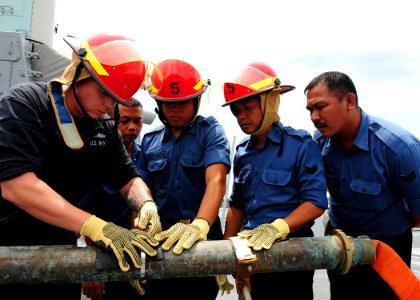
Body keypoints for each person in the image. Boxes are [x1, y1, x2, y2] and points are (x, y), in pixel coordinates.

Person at [0, 33, 162, 299]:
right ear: (78, 73)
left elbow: (127, 177)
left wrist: (146, 204)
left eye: (116, 98)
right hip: (8, 248)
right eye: (103, 93)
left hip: (59, 255)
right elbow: (18, 186)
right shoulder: (25, 104)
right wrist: (96, 227)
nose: (109, 105)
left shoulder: (105, 128)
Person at [304, 71, 420, 300]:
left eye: (321, 107)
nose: (314, 117)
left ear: (349, 101)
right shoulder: (319, 143)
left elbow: (418, 212)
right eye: (310, 110)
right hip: (340, 247)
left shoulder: (398, 148)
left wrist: (388, 229)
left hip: (387, 251)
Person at [222, 62, 329, 300]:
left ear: (270, 102)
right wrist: (226, 251)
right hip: (251, 253)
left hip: (294, 252)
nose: (241, 116)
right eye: (236, 111)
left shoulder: (301, 145)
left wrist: (278, 227)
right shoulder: (241, 152)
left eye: (248, 108)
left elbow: (316, 202)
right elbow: (237, 205)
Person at [138, 58, 231, 300]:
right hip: (162, 234)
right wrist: (140, 224)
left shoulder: (210, 132)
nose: (175, 109)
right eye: (168, 104)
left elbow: (217, 180)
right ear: (158, 103)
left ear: (196, 100)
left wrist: (200, 225)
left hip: (203, 231)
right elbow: (142, 189)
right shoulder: (150, 141)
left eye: (182, 102)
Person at [80, 98, 150, 299]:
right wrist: (91, 266)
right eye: (124, 120)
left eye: (137, 121)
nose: (132, 127)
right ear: (111, 120)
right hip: (103, 254)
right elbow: (84, 212)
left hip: (136, 256)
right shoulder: (95, 157)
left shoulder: (145, 156)